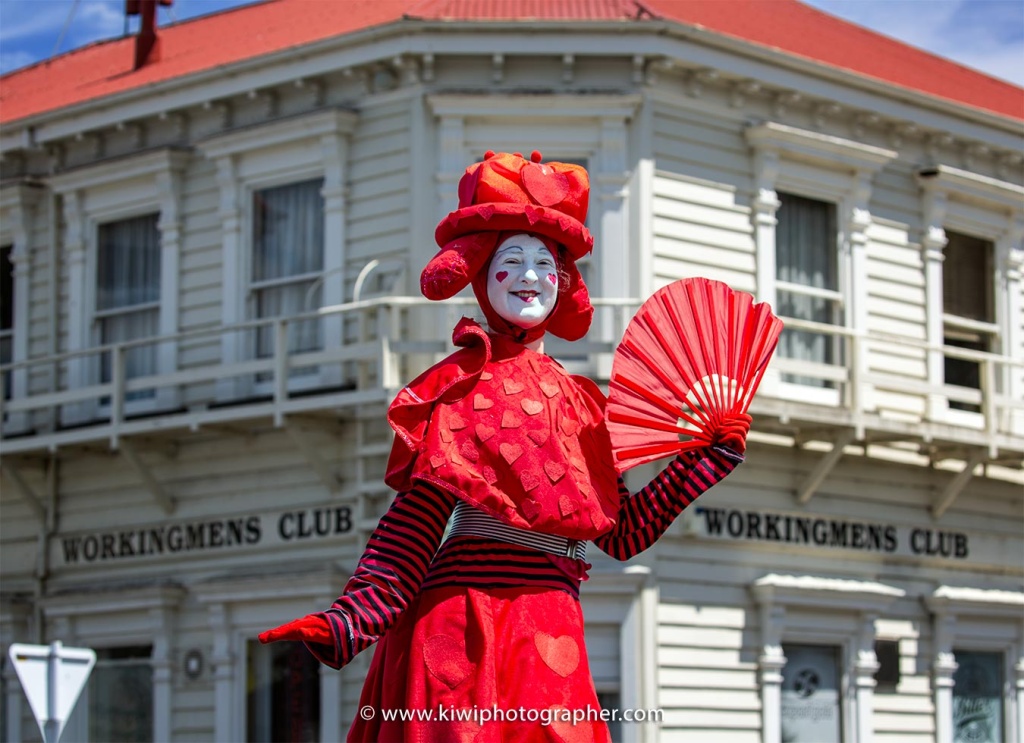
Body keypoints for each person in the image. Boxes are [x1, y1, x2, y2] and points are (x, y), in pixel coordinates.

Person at [259, 150, 751, 742]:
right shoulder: (460, 383)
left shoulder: (581, 402)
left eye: (546, 263)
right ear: (481, 275)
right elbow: (414, 525)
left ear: (563, 282)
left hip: (552, 622)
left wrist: (705, 461)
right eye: (511, 259)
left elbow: (622, 533)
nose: (530, 276)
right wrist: (352, 619)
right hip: (465, 625)